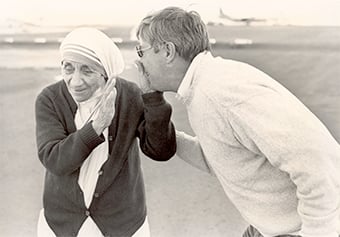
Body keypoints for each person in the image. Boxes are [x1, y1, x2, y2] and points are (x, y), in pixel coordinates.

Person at [134, 6, 340, 237]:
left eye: (141, 51)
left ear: (168, 51)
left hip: (299, 229)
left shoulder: (222, 92)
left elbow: (316, 160)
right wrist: (166, 134)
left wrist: (316, 232)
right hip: (268, 228)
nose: (139, 61)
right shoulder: (204, 85)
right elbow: (225, 157)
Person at [35, 27, 176, 237]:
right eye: (68, 68)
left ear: (106, 71)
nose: (75, 80)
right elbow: (55, 160)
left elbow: (160, 151)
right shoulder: (50, 99)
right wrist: (96, 127)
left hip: (123, 222)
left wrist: (152, 98)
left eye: (87, 70)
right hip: (63, 223)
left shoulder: (130, 95)